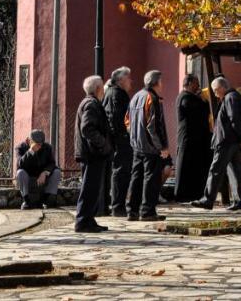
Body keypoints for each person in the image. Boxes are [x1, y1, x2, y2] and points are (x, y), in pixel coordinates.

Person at [192, 76, 241, 211]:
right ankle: (239, 201)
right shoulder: (236, 97)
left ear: (222, 87)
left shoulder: (230, 98)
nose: (214, 93)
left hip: (226, 140)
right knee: (234, 170)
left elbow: (234, 120)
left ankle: (208, 199)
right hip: (232, 140)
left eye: (215, 90)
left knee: (215, 170)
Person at [127, 69, 171, 221]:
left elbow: (127, 121)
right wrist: (162, 147)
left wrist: (134, 138)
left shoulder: (135, 97)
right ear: (157, 82)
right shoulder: (152, 98)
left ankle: (132, 210)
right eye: (161, 81)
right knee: (150, 179)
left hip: (137, 145)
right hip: (151, 147)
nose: (162, 84)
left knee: (136, 178)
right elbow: (154, 126)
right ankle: (147, 211)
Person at [73, 74, 113, 232]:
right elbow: (87, 128)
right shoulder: (91, 104)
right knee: (89, 188)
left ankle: (88, 219)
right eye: (102, 86)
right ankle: (83, 221)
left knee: (93, 188)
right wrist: (103, 144)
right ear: (98, 88)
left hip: (92, 153)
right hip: (92, 154)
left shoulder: (90, 102)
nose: (103, 89)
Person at [102, 66, 134, 216]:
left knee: (120, 173)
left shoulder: (112, 92)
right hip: (120, 141)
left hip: (117, 140)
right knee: (121, 173)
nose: (131, 81)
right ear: (121, 80)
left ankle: (117, 205)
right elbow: (117, 118)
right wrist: (125, 135)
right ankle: (118, 206)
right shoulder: (117, 94)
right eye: (128, 78)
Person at [174, 74, 211, 202]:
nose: (198, 85)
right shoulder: (185, 98)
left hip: (195, 139)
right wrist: (203, 101)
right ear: (189, 84)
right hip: (188, 138)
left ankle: (195, 193)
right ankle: (184, 194)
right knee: (186, 166)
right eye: (196, 83)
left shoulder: (190, 97)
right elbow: (200, 110)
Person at [15, 128, 61, 209]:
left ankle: (46, 200)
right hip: (28, 176)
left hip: (42, 176)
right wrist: (31, 151)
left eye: (41, 144)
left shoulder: (47, 147)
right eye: (37, 144)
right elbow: (20, 164)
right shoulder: (20, 147)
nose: (39, 146)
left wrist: (44, 172)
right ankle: (26, 201)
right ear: (29, 140)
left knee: (57, 172)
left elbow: (52, 163)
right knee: (20, 172)